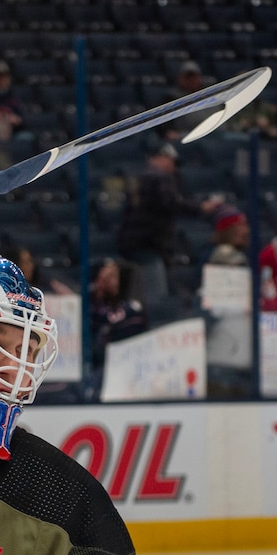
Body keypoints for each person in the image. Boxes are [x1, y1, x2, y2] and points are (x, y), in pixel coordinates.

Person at [115, 142, 217, 309]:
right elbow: (171, 202)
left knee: (136, 298)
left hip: (132, 244)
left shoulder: (140, 177)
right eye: (172, 162)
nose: (174, 168)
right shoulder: (160, 177)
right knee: (155, 300)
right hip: (148, 246)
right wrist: (200, 207)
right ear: (162, 158)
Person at [88, 256, 149, 381]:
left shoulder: (127, 306)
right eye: (109, 276)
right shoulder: (90, 307)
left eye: (115, 275)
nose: (114, 281)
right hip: (99, 367)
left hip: (129, 363)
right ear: (97, 280)